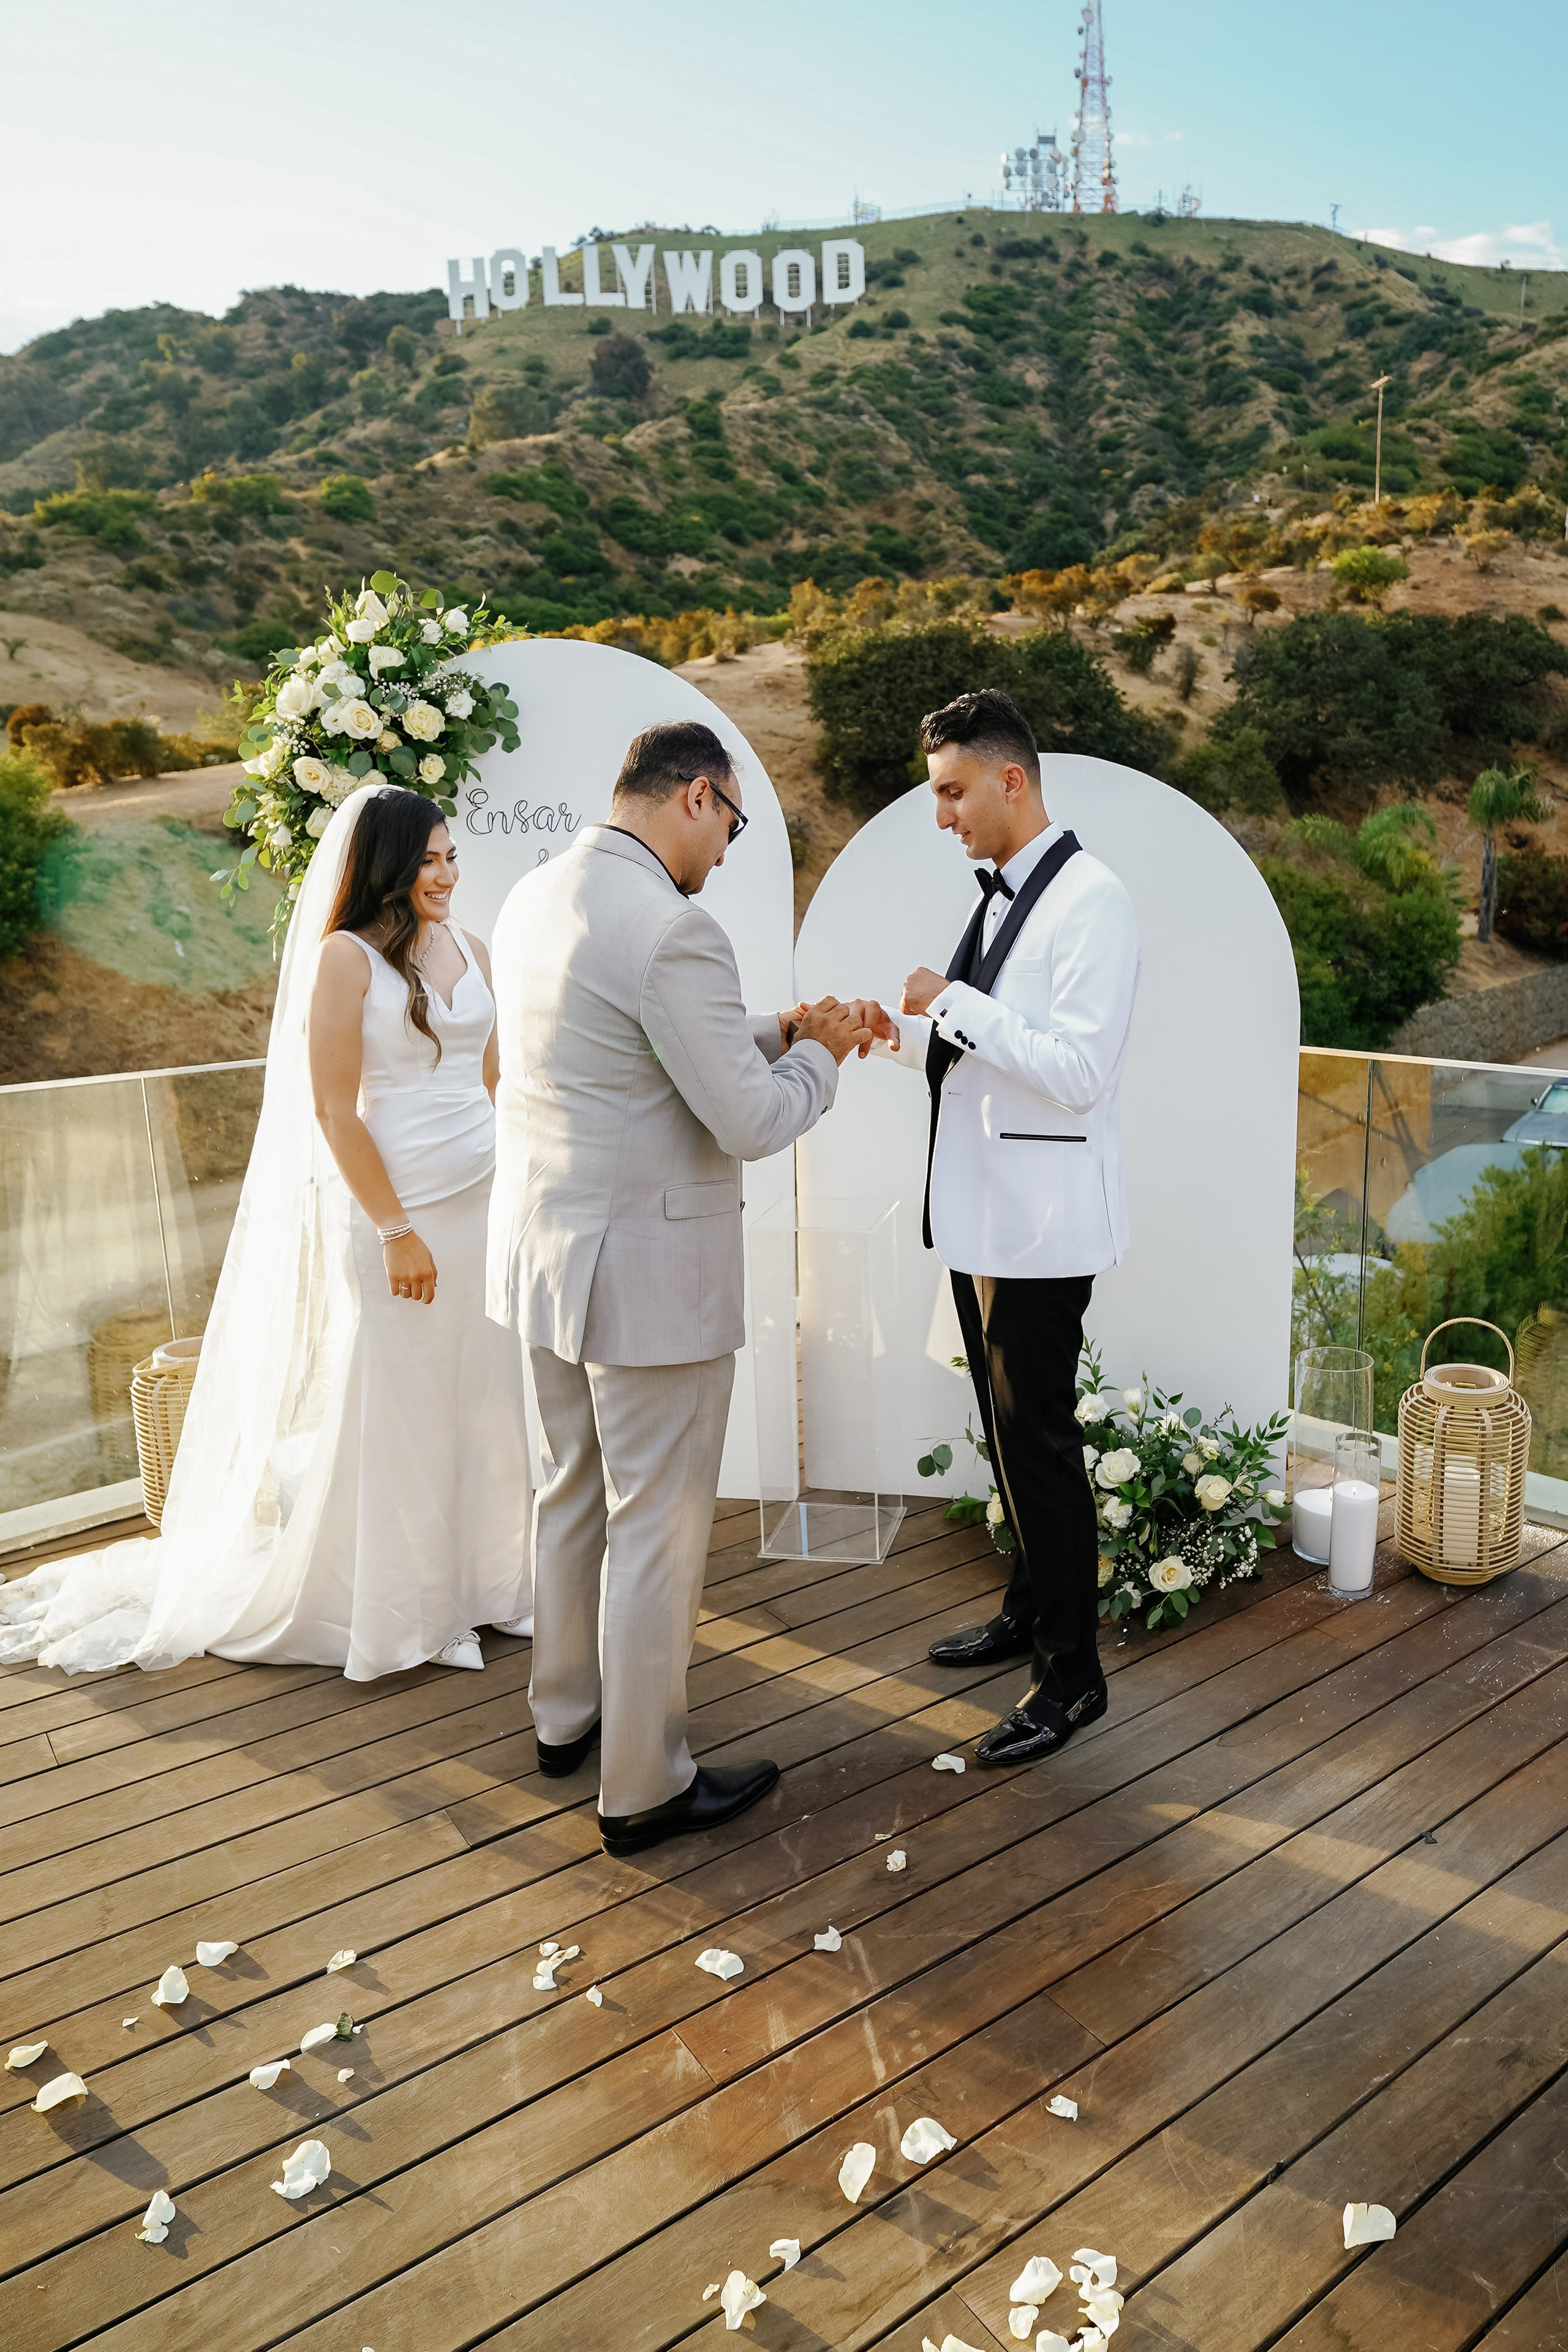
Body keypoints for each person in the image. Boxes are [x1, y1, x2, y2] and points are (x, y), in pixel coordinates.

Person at [0, 786, 532, 1679]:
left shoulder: (473, 950)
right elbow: (333, 1108)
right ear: (388, 870)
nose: (445, 874)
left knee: (485, 1401)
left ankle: (493, 1584)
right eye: (427, 860)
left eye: (450, 857)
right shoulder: (346, 959)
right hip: (397, 1212)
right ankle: (411, 1607)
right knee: (401, 1412)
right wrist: (396, 1230)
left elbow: (492, 1082)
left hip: (484, 1204)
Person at [488, 719, 873, 1856]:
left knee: (570, 1495)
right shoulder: (674, 927)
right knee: (656, 1527)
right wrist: (823, 1057)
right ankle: (644, 1784)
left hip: (551, 1256)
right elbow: (751, 1121)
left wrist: (780, 1025)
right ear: (699, 796)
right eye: (734, 825)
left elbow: (627, 1045)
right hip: (647, 1275)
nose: (724, 853)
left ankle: (566, 1718)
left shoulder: (533, 896)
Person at [867, 688, 1140, 1765]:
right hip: (980, 1215)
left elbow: (1077, 1072)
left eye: (950, 793)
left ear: (1010, 780)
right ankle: (1031, 1609)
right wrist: (886, 1031)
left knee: (1041, 1442)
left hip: (1043, 1224)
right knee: (1006, 1431)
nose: (942, 817)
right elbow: (972, 1048)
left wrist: (950, 1000)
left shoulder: (1094, 901)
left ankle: (1072, 1681)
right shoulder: (998, 897)